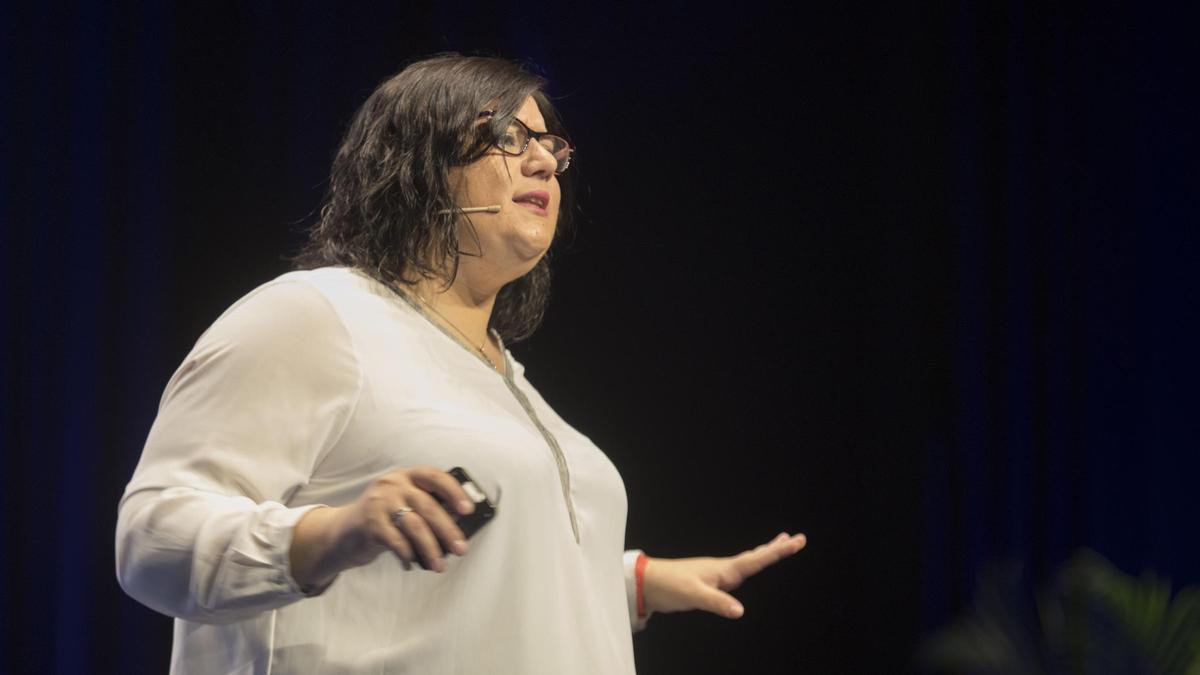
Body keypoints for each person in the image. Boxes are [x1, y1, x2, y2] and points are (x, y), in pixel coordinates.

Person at [115, 53, 807, 674]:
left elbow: (454, 579)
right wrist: (332, 530)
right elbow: (152, 539)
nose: (543, 162)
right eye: (509, 137)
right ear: (415, 162)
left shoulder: (503, 374)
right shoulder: (314, 316)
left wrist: (625, 580)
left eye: (549, 147)